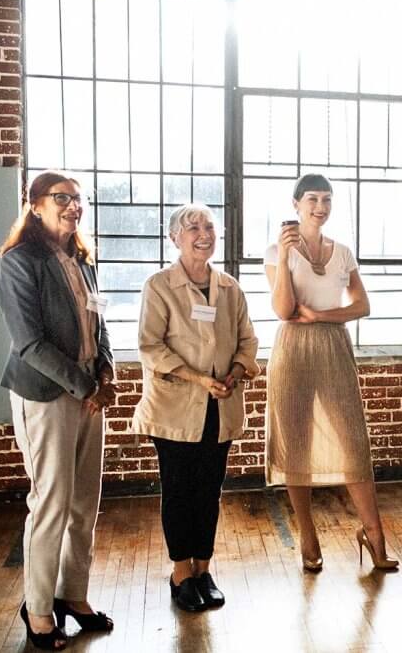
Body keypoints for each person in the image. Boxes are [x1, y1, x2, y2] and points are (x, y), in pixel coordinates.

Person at [0, 170, 117, 650]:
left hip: (88, 391)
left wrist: (105, 371)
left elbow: (98, 321)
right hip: (45, 394)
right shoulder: (19, 261)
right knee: (50, 503)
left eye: (78, 199)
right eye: (61, 198)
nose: (73, 206)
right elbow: (29, 343)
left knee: (84, 502)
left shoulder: (81, 260)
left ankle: (73, 596)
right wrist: (85, 383)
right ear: (36, 205)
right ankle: (40, 609)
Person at [265, 174, 397, 571]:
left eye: (326, 199)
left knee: (353, 442)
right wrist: (287, 258)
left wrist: (322, 315)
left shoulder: (343, 253)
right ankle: (307, 535)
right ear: (295, 204)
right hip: (292, 351)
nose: (320, 206)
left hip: (335, 348)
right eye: (312, 199)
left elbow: (362, 306)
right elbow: (285, 310)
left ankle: (374, 535)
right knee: (296, 443)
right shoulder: (276, 251)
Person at [132, 205, 260, 611]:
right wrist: (198, 378)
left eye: (208, 226)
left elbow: (248, 341)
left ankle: (203, 570)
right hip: (174, 409)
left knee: (209, 491)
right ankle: (180, 574)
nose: (203, 233)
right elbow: (150, 345)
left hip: (219, 408)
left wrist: (235, 373)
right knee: (179, 492)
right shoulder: (159, 286)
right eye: (192, 227)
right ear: (175, 238)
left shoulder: (229, 287)